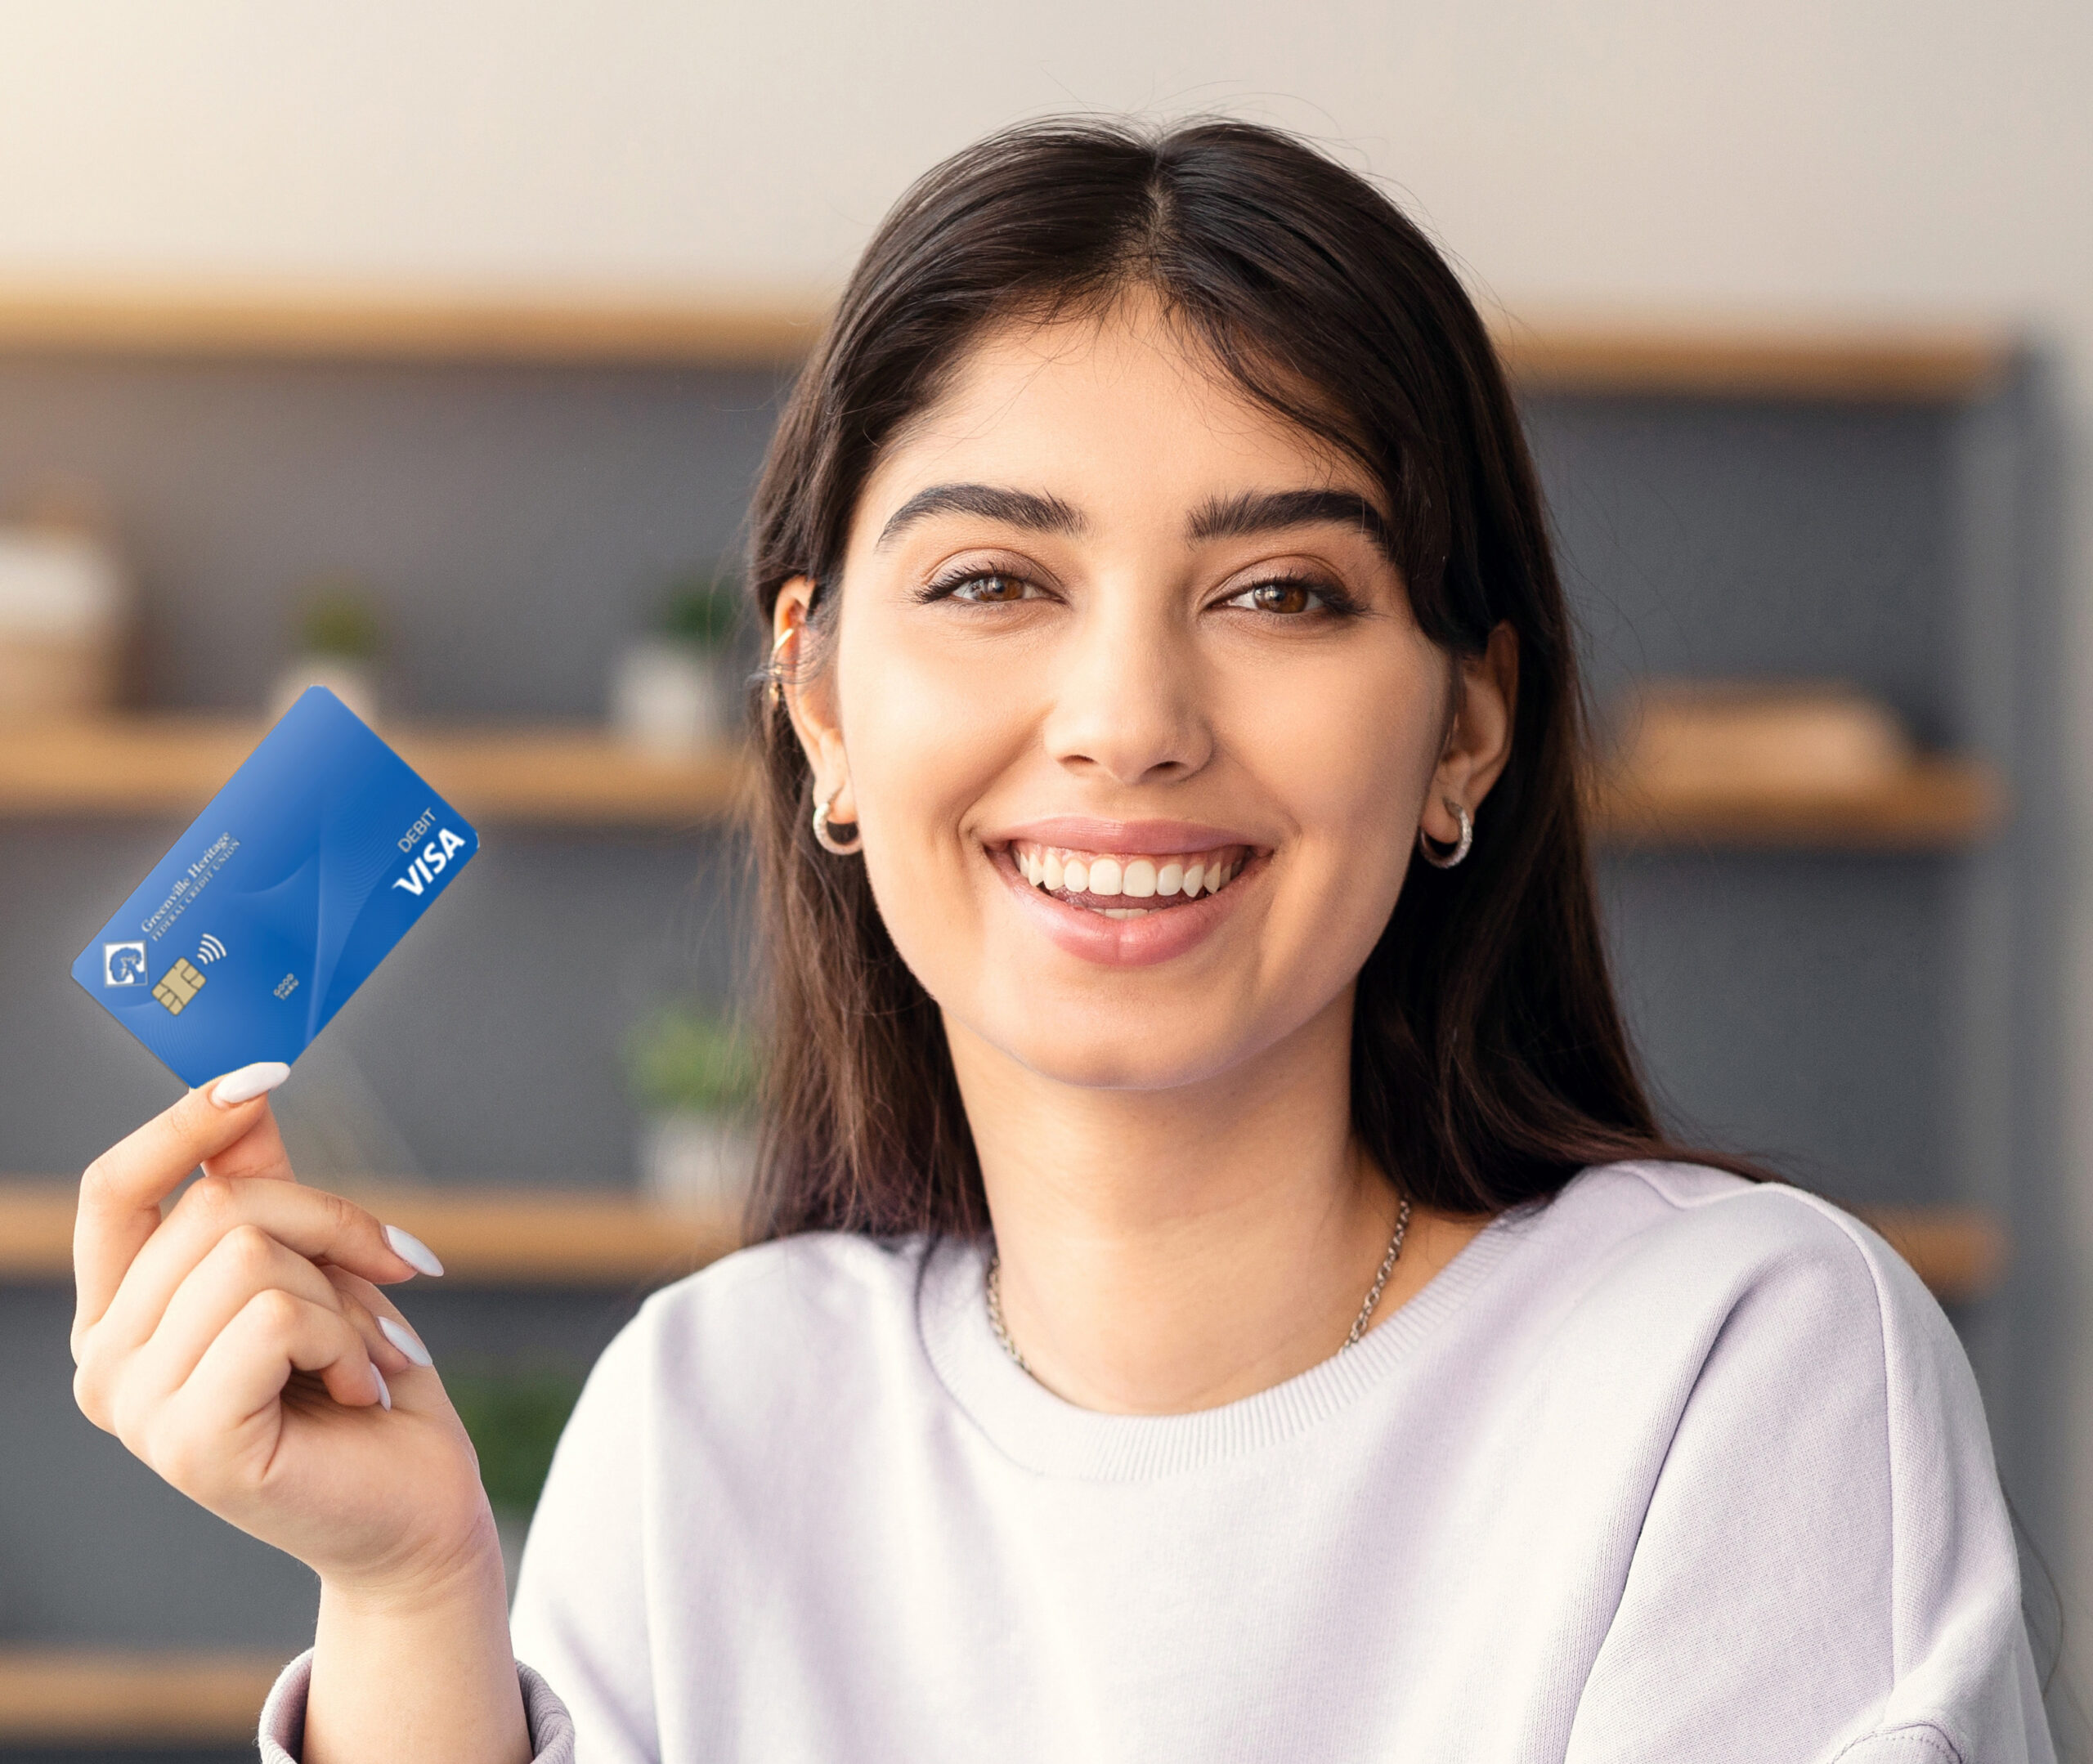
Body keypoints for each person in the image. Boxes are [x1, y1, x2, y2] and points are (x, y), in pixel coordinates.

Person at [69, 118, 2051, 1764]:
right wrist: (409, 1591)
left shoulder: (1736, 1360)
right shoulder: (711, 1411)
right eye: (994, 577)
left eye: (1279, 590)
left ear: (1464, 724)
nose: (1126, 717)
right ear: (823, 705)